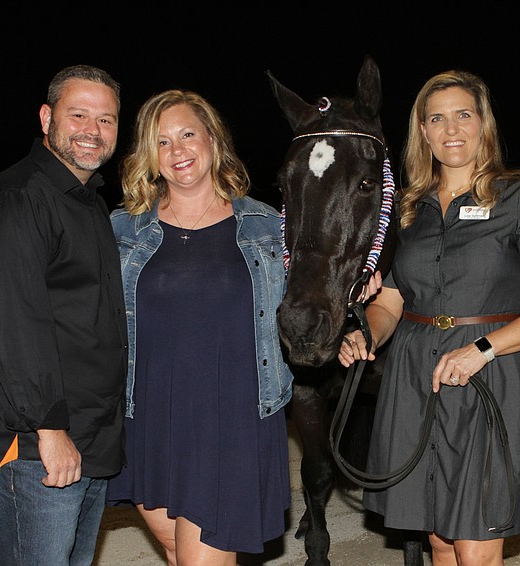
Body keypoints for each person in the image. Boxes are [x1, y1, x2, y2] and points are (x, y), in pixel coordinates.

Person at [339, 70, 520, 566]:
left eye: (463, 114)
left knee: (476, 540)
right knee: (440, 539)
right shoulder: (407, 209)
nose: (451, 129)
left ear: (483, 122)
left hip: (489, 374)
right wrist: (365, 335)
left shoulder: (517, 199)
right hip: (415, 379)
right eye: (437, 118)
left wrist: (482, 349)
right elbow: (390, 303)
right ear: (423, 131)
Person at [105, 89, 294, 566]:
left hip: (232, 419)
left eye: (188, 134)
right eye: (162, 141)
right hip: (148, 416)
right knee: (176, 551)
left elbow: (310, 301)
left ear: (213, 138)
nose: (178, 150)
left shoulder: (268, 226)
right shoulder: (122, 230)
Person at [0, 65, 127, 565]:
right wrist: (49, 431)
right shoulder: (18, 199)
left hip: (86, 438)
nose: (92, 130)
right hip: (35, 447)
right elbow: (14, 325)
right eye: (79, 115)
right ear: (47, 117)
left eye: (106, 119)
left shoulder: (87, 202)